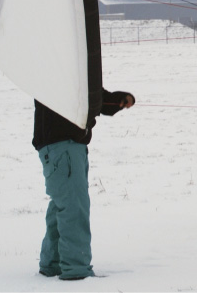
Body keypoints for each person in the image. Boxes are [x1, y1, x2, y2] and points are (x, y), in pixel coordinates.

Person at [34, 89, 136, 280]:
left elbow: (88, 91)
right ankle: (76, 271)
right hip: (63, 145)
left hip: (64, 145)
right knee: (73, 207)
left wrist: (115, 101)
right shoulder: (60, 66)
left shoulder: (65, 67)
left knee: (62, 203)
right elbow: (83, 90)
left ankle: (52, 264)